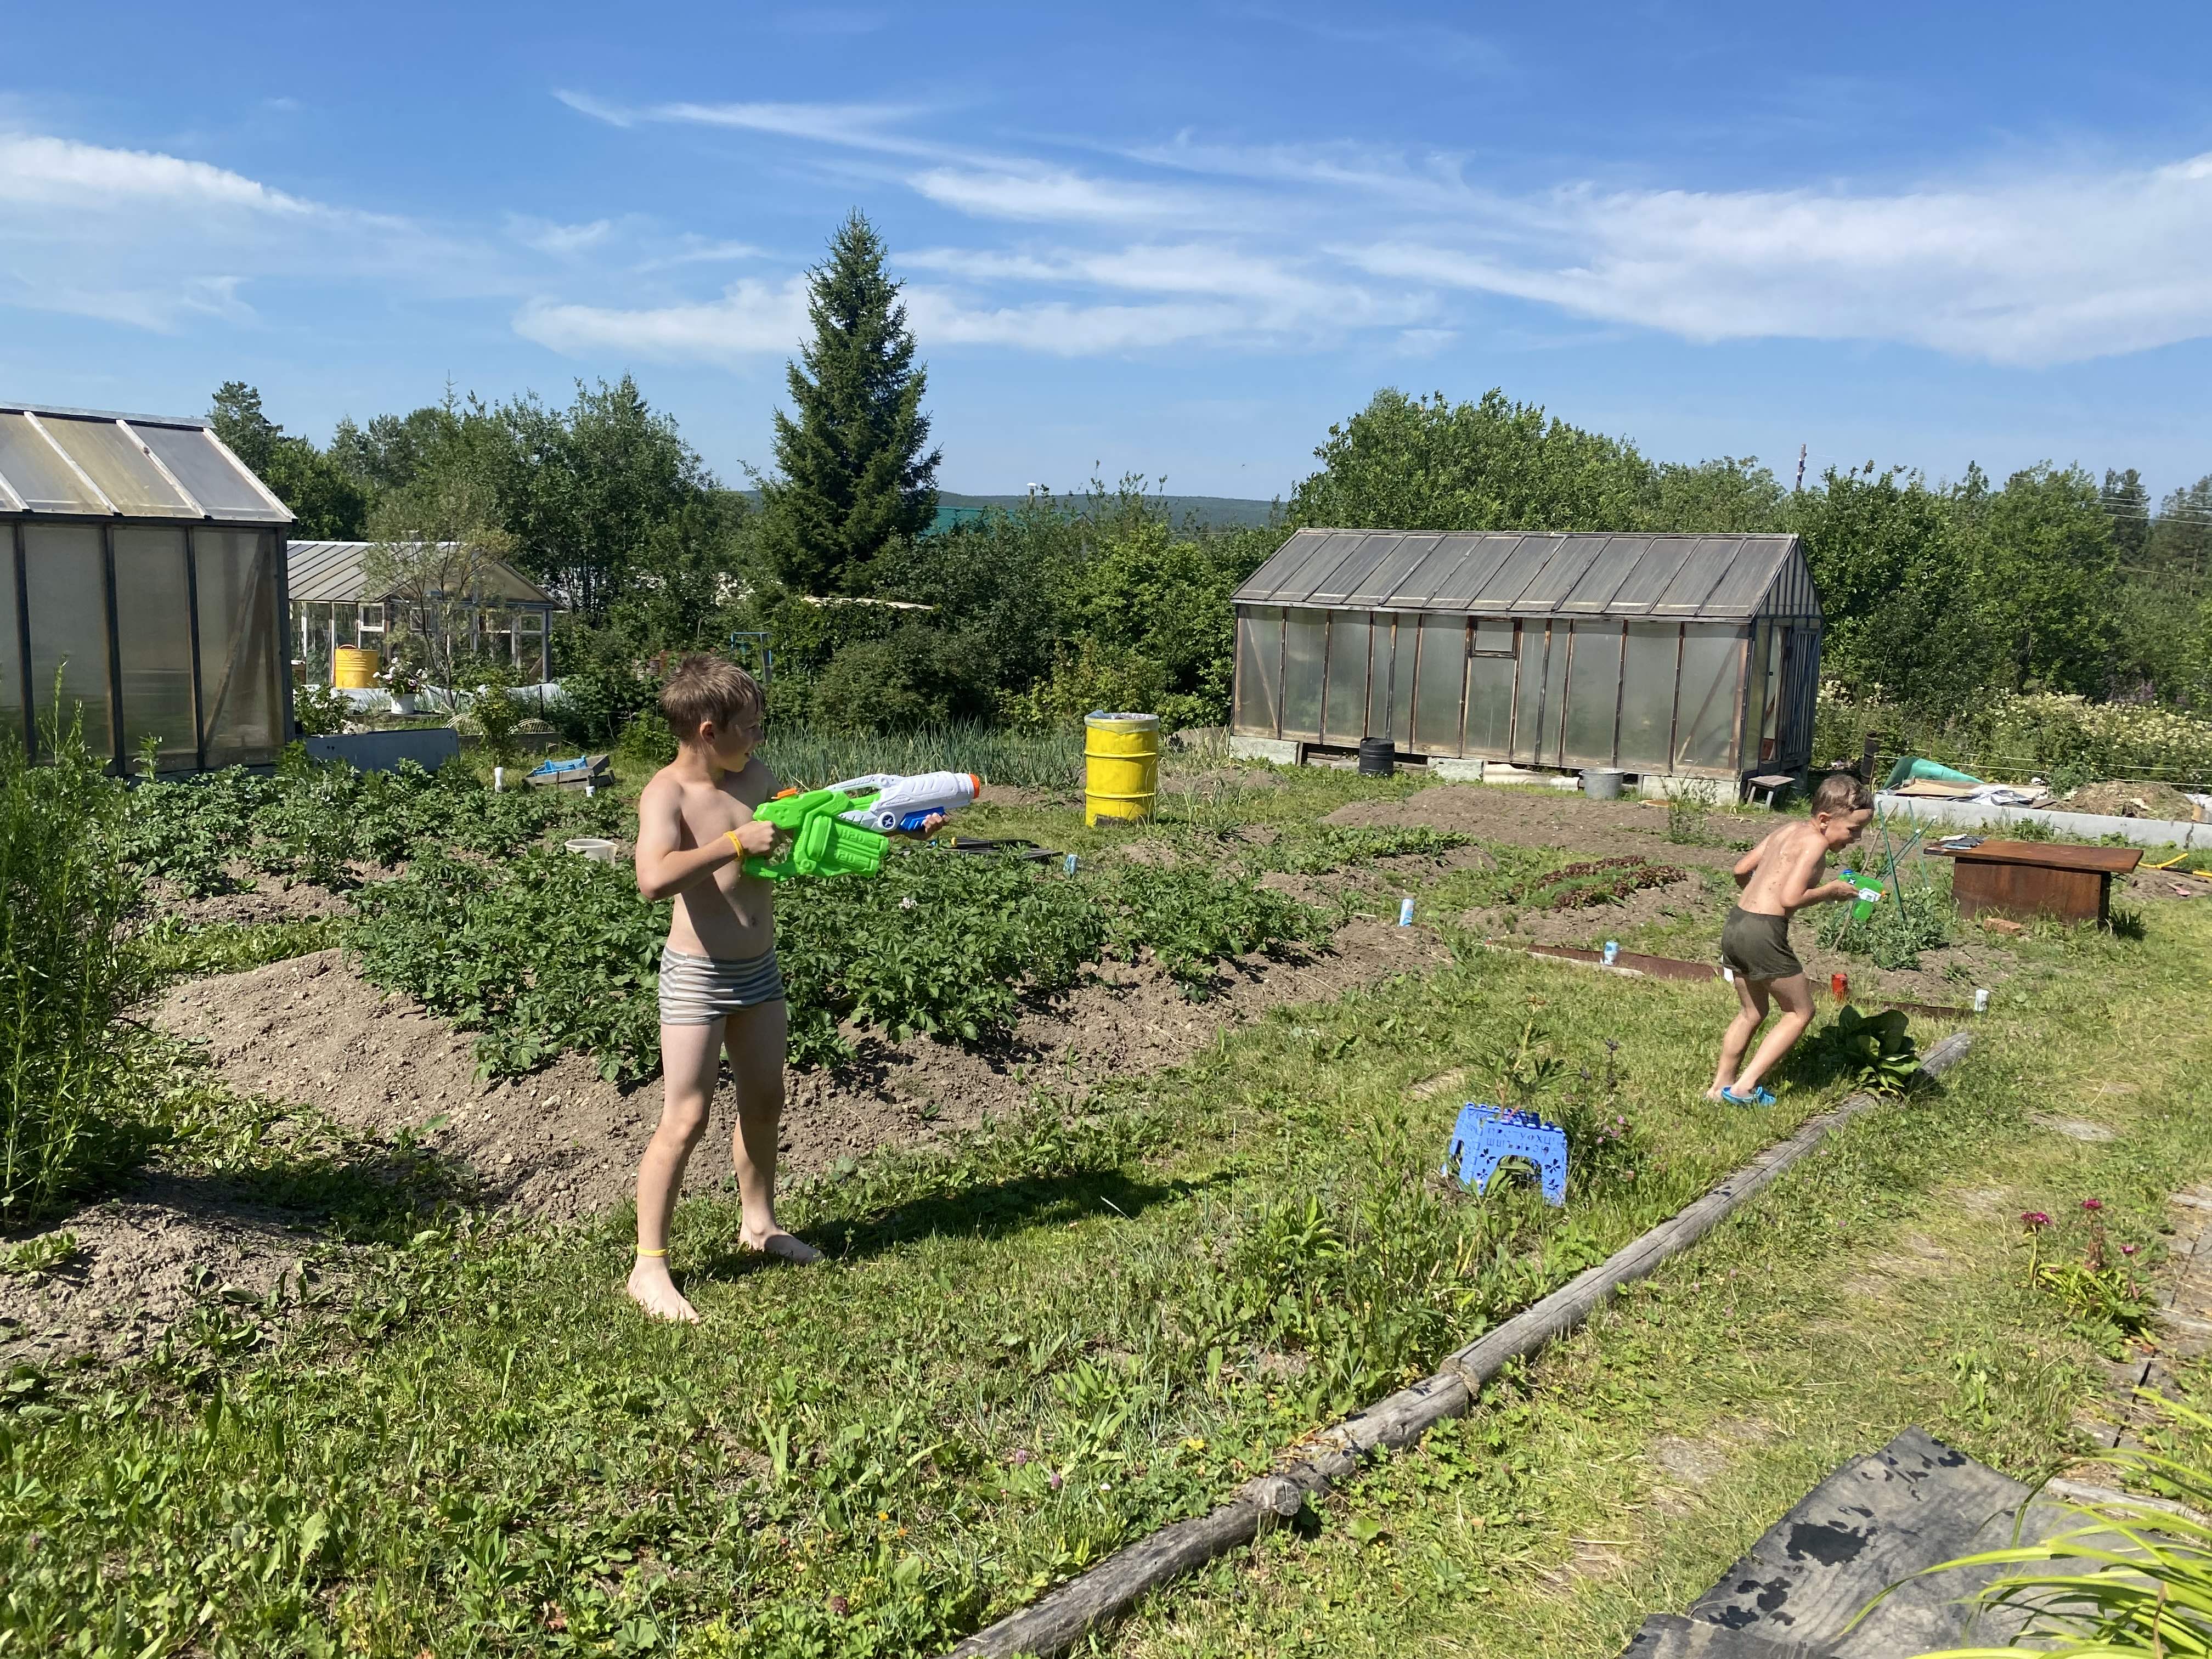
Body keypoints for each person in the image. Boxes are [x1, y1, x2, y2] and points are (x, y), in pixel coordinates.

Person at [627, 655, 813, 1323]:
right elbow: (653, 878)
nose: (759, 740)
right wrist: (735, 842)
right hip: (698, 977)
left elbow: (801, 834)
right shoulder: (668, 794)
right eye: (751, 728)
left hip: (758, 971)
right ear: (710, 730)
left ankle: (759, 1224)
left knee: (765, 1100)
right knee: (687, 1117)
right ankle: (649, 1267)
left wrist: (900, 826)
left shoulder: (755, 777)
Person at [1705, 772, 1875, 1107]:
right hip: (1764, 932)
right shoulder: (1816, 843)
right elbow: (1790, 898)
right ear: (1825, 820)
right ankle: (1743, 1088)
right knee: (1801, 1011)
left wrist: (1755, 897)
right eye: (1854, 830)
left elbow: (1741, 870)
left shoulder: (1786, 829)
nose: (1857, 838)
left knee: (1752, 1013)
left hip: (1737, 923)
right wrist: (1831, 891)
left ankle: (1718, 1088)